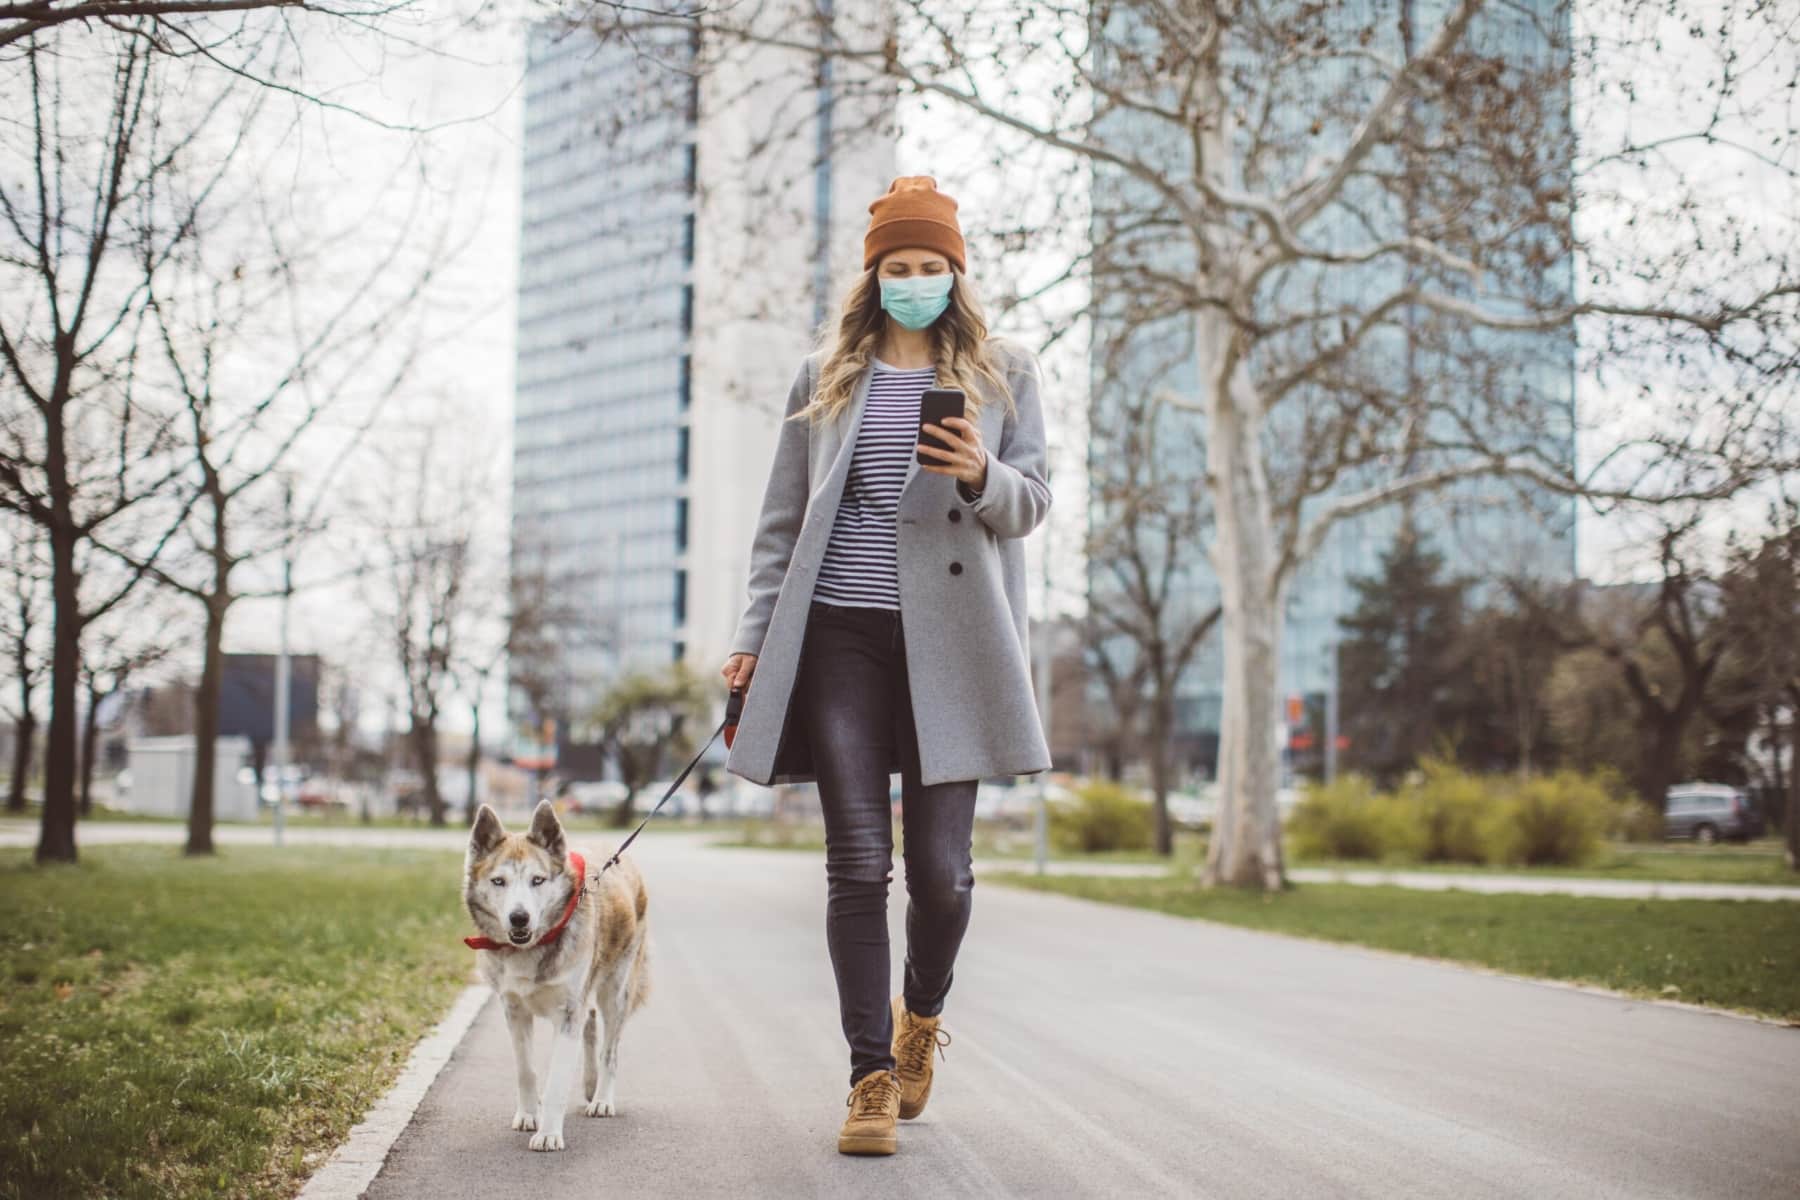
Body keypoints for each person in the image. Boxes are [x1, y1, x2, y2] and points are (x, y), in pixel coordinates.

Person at [718, 175, 1053, 1156]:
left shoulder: (1006, 370)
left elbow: (1034, 499)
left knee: (942, 877)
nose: (915, 281)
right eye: (897, 268)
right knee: (859, 865)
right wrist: (750, 635)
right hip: (840, 638)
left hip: (957, 644)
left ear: (957, 272)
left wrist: (979, 474)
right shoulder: (827, 373)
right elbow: (783, 519)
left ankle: (921, 1014)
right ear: (874, 277)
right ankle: (869, 1075)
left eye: (931, 267)